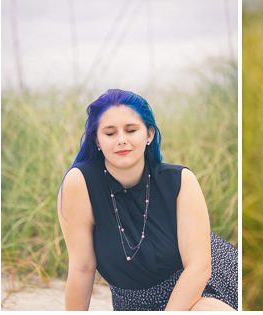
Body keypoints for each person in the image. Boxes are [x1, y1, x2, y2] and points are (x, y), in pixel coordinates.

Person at [57, 89, 237, 310]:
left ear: (149, 134)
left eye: (131, 130)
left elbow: (199, 266)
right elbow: (82, 267)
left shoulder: (180, 180)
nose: (122, 140)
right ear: (97, 139)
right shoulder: (80, 183)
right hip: (136, 303)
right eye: (110, 133)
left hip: (201, 286)